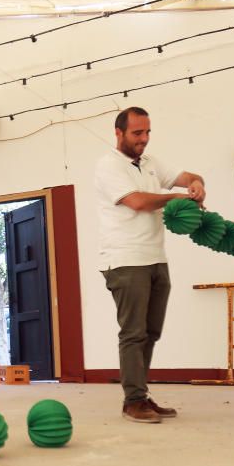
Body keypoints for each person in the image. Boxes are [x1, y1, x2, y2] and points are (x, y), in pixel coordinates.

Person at [94, 107, 206, 423]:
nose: (143, 139)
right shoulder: (107, 166)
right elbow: (139, 203)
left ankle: (141, 395)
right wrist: (178, 198)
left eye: (147, 132)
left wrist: (196, 183)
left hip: (156, 258)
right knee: (133, 332)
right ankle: (132, 401)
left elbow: (186, 177)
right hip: (124, 260)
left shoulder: (151, 163)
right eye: (137, 133)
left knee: (151, 332)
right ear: (119, 133)